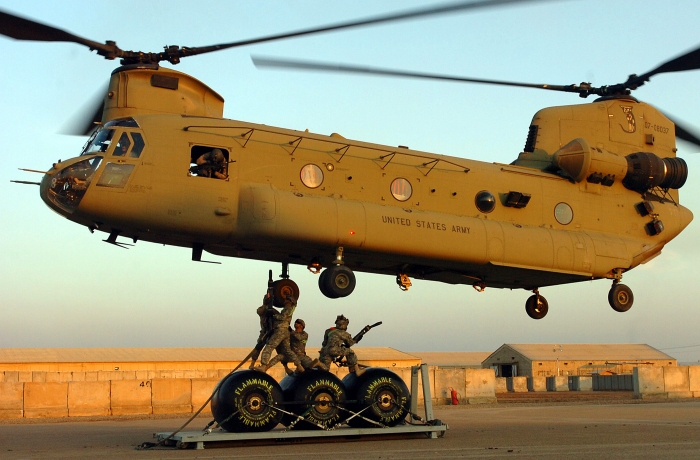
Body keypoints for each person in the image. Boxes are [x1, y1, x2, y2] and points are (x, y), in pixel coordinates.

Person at [256, 295, 304, 374]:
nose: (284, 300)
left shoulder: (288, 308)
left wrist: (273, 315)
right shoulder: (289, 309)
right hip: (285, 331)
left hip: (280, 331)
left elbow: (282, 317)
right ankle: (299, 366)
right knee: (287, 350)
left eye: (286, 299)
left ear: (289, 301)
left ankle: (264, 365)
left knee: (269, 347)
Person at [248, 294, 275, 370]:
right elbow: (259, 311)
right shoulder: (261, 309)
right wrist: (266, 305)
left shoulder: (272, 310)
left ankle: (265, 366)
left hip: (272, 332)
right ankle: (252, 363)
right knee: (258, 347)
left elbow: (278, 316)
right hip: (264, 332)